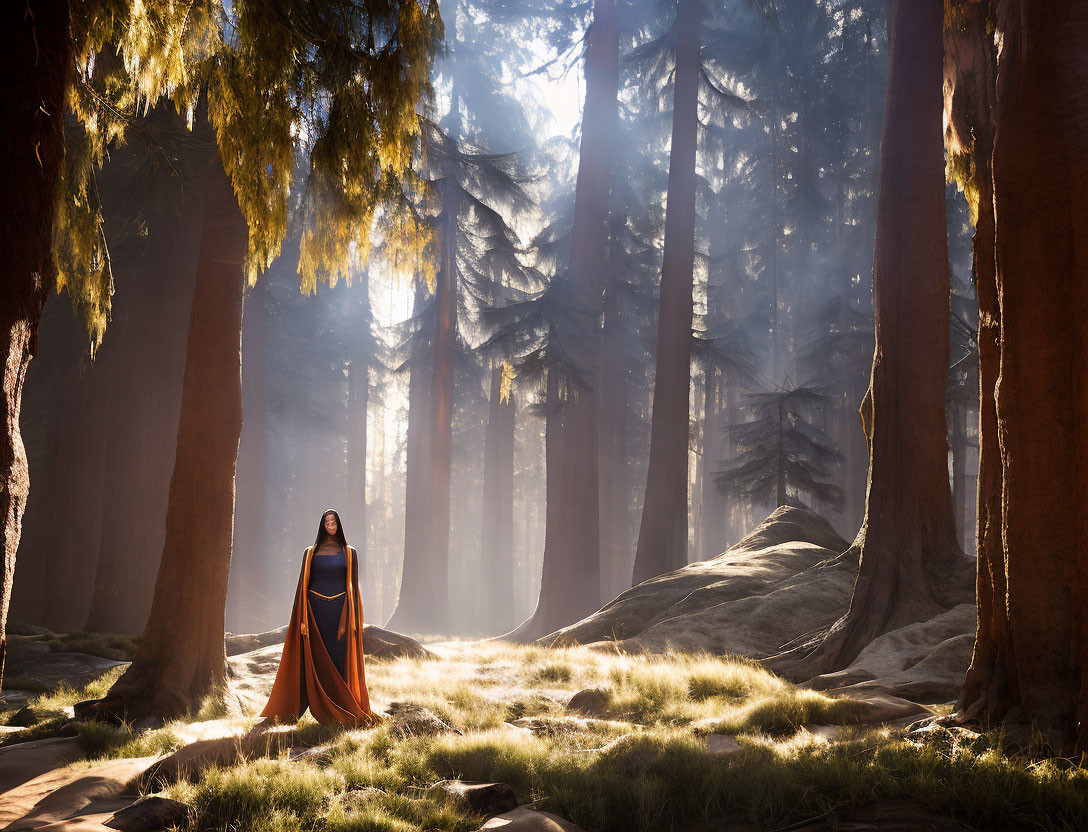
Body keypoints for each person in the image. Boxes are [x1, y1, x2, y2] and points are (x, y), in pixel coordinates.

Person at [260, 508, 381, 727]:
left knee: (337, 659)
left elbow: (352, 587)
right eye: (327, 520)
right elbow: (302, 589)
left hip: (338, 613)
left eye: (334, 520)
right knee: (313, 659)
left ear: (339, 524)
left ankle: (340, 709)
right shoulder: (310, 553)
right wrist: (303, 619)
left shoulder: (350, 552)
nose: (331, 523)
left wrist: (348, 619)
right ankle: (307, 708)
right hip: (315, 612)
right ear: (322, 524)